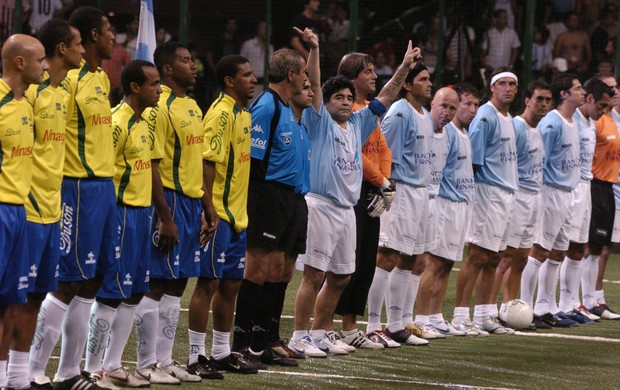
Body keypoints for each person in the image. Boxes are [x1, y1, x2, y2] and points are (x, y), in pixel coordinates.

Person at [289, 28, 422, 356]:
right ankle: (298, 336)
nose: (346, 102)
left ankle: (321, 333)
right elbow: (315, 82)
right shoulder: (319, 122)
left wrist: (404, 67)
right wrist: (315, 48)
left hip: (348, 210)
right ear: (327, 102)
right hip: (321, 205)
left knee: (341, 276)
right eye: (340, 98)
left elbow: (388, 96)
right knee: (314, 275)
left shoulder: (360, 123)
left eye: (350, 98)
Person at [28, 7, 116, 390]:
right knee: (65, 282)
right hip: (76, 188)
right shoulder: (66, 81)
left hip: (104, 188)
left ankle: (69, 372)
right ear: (92, 36)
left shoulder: (100, 78)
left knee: (92, 281)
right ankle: (31, 370)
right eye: (109, 31)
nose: (115, 37)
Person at [4, 20, 82, 390]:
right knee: (11, 299)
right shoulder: (25, 98)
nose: (47, 66)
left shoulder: (63, 93)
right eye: (77, 43)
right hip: (25, 210)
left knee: (34, 296)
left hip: (53, 210)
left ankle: (22, 376)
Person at [134, 41, 217, 384]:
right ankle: (145, 364)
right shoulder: (159, 107)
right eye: (185, 60)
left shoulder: (194, 106)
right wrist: (164, 215)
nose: (193, 64)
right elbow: (152, 164)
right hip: (168, 201)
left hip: (190, 203)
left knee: (178, 283)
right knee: (156, 283)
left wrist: (204, 207)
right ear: (167, 69)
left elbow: (197, 163)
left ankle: (165, 360)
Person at [82, 60, 162, 389]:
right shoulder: (117, 123)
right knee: (111, 292)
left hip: (142, 215)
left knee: (135, 291)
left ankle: (113, 365)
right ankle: (92, 368)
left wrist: (161, 213)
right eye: (154, 84)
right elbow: (101, 171)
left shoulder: (145, 123)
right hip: (120, 213)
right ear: (134, 88)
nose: (159, 89)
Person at [231, 43, 309, 361]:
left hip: (292, 199)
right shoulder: (267, 106)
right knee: (258, 269)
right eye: (303, 72)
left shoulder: (289, 108)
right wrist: (255, 204)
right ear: (291, 74)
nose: (306, 78)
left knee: (280, 271)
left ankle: (266, 341)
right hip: (269, 196)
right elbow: (253, 161)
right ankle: (241, 344)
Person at [185, 55, 260, 378]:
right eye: (246, 75)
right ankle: (194, 355)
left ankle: (220, 352)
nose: (253, 79)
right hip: (219, 216)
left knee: (231, 284)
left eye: (253, 74)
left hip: (237, 215)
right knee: (208, 283)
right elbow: (207, 164)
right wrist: (209, 209)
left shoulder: (243, 114)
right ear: (229, 81)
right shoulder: (220, 115)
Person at [366, 63, 433, 347]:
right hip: (401, 189)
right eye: (423, 79)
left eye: (430, 79)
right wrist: (386, 190)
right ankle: (372, 324)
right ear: (407, 84)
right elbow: (386, 154)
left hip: (421, 193)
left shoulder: (425, 115)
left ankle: (397, 324)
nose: (430, 84)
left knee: (411, 258)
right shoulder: (399, 112)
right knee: (388, 255)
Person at [450, 67, 519, 336]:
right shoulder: (486, 116)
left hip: (505, 194)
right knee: (478, 256)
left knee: (495, 257)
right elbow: (473, 161)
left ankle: (485, 314)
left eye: (512, 84)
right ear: (492, 87)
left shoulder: (508, 117)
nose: (508, 88)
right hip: (487, 193)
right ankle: (459, 315)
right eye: (502, 83)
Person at [333, 52, 391, 350]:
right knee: (346, 263)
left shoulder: (369, 109)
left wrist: (385, 183)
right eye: (368, 71)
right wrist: (381, 181)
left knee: (367, 261)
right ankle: (330, 327)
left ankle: (350, 326)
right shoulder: (347, 112)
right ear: (353, 76)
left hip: (372, 190)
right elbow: (356, 154)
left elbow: (381, 148)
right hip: (353, 190)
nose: (374, 75)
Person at [0, 33, 46, 390]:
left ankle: (6, 379)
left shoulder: (27, 104)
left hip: (20, 214)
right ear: (20, 63)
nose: (45, 66)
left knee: (11, 303)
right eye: (39, 59)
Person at [523, 73, 584, 328]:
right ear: (565, 94)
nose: (583, 92)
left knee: (558, 252)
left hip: (569, 193)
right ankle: (525, 308)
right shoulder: (553, 122)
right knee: (539, 251)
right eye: (578, 88)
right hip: (550, 191)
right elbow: (540, 158)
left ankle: (546, 306)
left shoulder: (573, 121)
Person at [487, 81, 551, 325]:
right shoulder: (517, 126)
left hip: (534, 197)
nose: (544, 104)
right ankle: (489, 310)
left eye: (547, 100)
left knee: (522, 258)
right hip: (518, 196)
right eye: (539, 99)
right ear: (527, 100)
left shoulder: (537, 129)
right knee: (506, 256)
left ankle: (509, 310)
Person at [557, 78, 614, 323]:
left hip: (586, 187)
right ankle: (556, 304)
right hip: (569, 189)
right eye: (601, 106)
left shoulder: (591, 122)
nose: (603, 112)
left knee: (579, 248)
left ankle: (572, 304)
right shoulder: (573, 121)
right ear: (589, 99)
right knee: (559, 248)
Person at [426, 83, 479, 336]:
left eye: (474, 105)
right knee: (433, 264)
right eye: (466, 104)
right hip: (445, 203)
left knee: (446, 264)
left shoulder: (465, 133)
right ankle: (423, 317)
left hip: (461, 206)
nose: (471, 109)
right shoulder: (447, 133)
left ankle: (436, 316)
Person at [413, 87, 459, 339]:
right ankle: (405, 319)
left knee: (422, 262)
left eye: (453, 108)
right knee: (400, 261)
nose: (447, 112)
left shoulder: (448, 135)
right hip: (413, 196)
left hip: (434, 201)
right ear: (433, 103)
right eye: (443, 106)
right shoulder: (421, 126)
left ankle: (423, 319)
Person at [582, 72, 620, 320]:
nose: (614, 91)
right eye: (609, 88)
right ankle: (583, 300)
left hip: (608, 189)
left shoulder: (610, 120)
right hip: (595, 186)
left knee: (601, 248)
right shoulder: (596, 121)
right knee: (588, 248)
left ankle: (595, 298)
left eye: (616, 87)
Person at [239, 21, 274, 96]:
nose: (268, 32)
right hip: (250, 83)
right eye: (266, 29)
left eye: (270, 30)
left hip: (265, 84)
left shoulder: (270, 47)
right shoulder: (248, 44)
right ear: (259, 29)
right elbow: (240, 63)